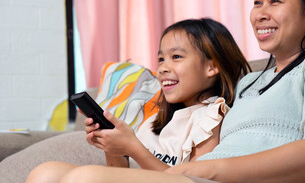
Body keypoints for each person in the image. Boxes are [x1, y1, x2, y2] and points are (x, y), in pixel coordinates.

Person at [31, 0, 305, 183]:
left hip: (215, 178)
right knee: (45, 173)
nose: (260, 13)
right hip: (200, 177)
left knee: (85, 179)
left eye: (275, 2)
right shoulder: (247, 83)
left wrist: (211, 169)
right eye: (257, 2)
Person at [26, 18, 251, 182]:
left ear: (212, 67)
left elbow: (195, 179)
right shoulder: (155, 116)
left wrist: (134, 148)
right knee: (44, 173)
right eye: (161, 58)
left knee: (84, 178)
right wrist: (112, 146)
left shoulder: (211, 115)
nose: (163, 67)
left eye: (176, 57)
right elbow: (119, 170)